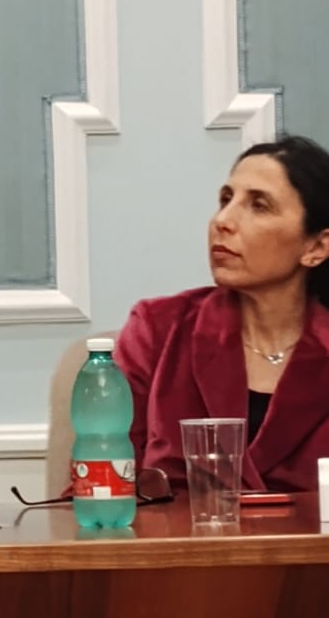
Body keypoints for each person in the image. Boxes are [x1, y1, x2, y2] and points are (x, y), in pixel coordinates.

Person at [115, 134, 329, 493]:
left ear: (316, 247)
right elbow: (102, 484)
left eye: (259, 206)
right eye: (226, 200)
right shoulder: (158, 330)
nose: (223, 221)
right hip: (177, 532)